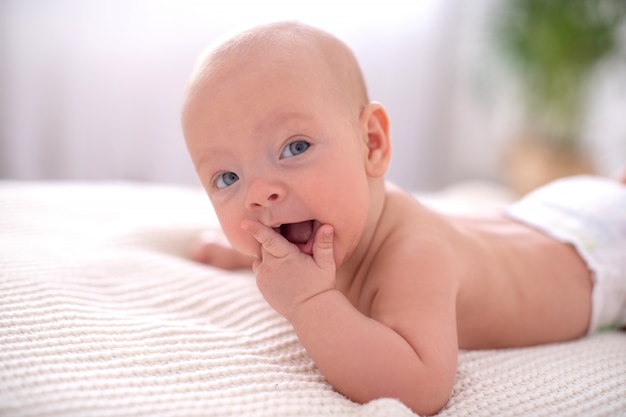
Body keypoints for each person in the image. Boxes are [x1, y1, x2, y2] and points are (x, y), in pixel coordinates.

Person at [181, 21, 626, 416]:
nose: (260, 194)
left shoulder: (414, 257)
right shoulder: (352, 213)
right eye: (227, 177)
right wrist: (254, 255)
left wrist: (307, 304)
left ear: (371, 144)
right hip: (546, 214)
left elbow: (420, 386)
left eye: (294, 148)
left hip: (604, 256)